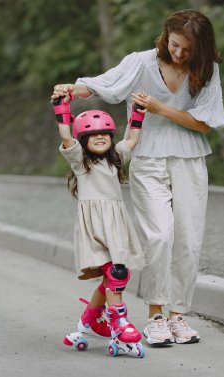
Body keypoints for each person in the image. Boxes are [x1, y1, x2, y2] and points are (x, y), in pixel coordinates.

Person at [51, 9, 224, 346]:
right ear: (166, 37)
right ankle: (156, 316)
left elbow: (204, 123)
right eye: (175, 45)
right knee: (160, 235)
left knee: (188, 239)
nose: (178, 54)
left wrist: (160, 109)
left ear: (201, 48)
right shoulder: (142, 62)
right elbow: (107, 85)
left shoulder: (207, 70)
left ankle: (178, 315)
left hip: (190, 159)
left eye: (187, 50)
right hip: (147, 157)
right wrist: (72, 89)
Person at [53, 95, 146, 357]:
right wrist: (62, 109)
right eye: (94, 135)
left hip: (115, 226)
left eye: (105, 134)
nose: (101, 138)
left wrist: (138, 114)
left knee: (112, 276)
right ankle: (120, 324)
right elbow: (66, 138)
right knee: (116, 274)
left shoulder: (116, 158)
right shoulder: (80, 161)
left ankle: (89, 321)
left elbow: (132, 139)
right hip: (94, 228)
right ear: (84, 140)